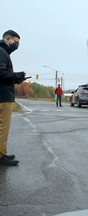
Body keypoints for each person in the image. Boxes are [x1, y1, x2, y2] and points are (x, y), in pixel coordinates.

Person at [0, 30, 25, 166]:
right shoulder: (2, 52)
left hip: (3, 94)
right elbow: (1, 73)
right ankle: (1, 156)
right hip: (3, 97)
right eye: (15, 42)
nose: (16, 45)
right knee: (3, 127)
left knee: (2, 127)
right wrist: (16, 76)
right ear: (7, 39)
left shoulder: (3, 53)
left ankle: (2, 152)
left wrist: (17, 79)